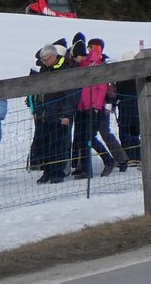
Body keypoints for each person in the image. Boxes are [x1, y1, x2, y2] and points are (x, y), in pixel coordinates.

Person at [74, 38, 128, 178]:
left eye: (91, 46)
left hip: (98, 106)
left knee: (99, 134)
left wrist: (103, 105)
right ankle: (89, 167)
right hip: (88, 105)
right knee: (87, 137)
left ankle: (116, 160)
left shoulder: (101, 63)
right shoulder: (88, 63)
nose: (89, 49)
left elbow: (104, 86)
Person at [33, 44, 75, 184]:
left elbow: (71, 95)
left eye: (46, 59)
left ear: (54, 56)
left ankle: (58, 172)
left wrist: (67, 114)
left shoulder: (66, 69)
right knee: (44, 144)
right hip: (44, 114)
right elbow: (39, 92)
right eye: (42, 60)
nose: (44, 62)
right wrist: (38, 110)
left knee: (58, 144)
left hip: (59, 113)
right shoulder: (44, 69)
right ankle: (47, 171)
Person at [114, 50, 141, 166]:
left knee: (125, 131)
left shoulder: (123, 74)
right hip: (137, 104)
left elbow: (119, 91)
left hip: (125, 105)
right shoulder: (138, 73)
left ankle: (128, 156)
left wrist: (115, 99)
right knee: (135, 131)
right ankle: (137, 155)